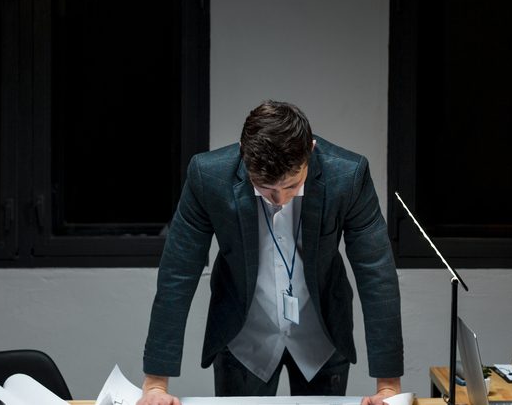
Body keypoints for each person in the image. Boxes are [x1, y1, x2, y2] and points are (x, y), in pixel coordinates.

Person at [137, 101, 403, 405]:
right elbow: (178, 272)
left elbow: (376, 273)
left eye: (291, 186)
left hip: (321, 333)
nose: (279, 200)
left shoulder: (348, 176)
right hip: (243, 336)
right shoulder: (207, 176)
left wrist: (388, 387)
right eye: (265, 187)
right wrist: (155, 384)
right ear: (243, 153)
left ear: (311, 150)